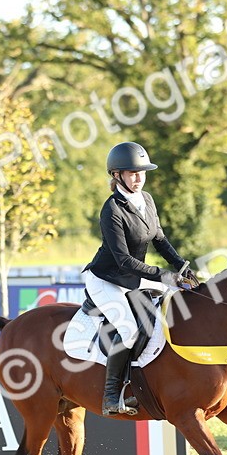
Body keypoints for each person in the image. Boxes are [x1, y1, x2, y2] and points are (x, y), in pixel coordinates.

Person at [83, 141, 198, 416]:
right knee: (129, 330)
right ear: (117, 175)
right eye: (133, 173)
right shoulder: (112, 209)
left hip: (132, 278)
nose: (139, 179)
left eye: (142, 173)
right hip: (107, 279)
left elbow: (159, 239)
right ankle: (111, 395)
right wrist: (165, 276)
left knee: (163, 317)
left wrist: (181, 266)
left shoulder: (146, 199)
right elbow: (124, 260)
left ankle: (144, 383)